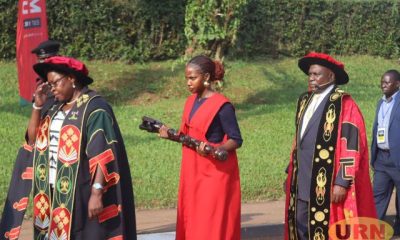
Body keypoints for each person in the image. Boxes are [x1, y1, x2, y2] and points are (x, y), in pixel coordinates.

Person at [29, 56, 136, 239]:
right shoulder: (54, 108)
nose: (52, 89)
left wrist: (96, 192)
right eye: (49, 84)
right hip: (52, 190)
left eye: (55, 83)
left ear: (71, 78)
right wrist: (37, 106)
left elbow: (102, 152)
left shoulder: (95, 107)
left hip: (81, 190)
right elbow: (33, 140)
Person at [284, 52, 376, 240]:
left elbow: (352, 144)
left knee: (327, 230)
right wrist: (290, 170)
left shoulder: (344, 103)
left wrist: (342, 181)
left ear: (331, 76)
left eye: (316, 74)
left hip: (327, 182)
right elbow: (298, 139)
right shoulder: (304, 100)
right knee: (300, 225)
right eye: (309, 74)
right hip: (303, 178)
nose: (311, 78)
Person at [159, 55, 242, 240]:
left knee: (210, 223)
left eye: (192, 78)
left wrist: (219, 148)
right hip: (192, 171)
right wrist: (169, 135)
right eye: (186, 78)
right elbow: (187, 137)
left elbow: (236, 139)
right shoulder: (191, 101)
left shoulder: (222, 105)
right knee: (192, 218)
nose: (188, 83)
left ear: (205, 77)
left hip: (213, 175)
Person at [0, 40, 62, 238]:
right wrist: (36, 106)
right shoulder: (42, 89)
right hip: (46, 157)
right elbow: (32, 136)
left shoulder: (67, 89)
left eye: (47, 60)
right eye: (41, 61)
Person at [371, 69, 400, 235]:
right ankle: (375, 230)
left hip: (398, 158)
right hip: (382, 158)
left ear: (397, 84)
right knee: (377, 196)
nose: (383, 84)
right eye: (382, 81)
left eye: (387, 82)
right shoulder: (380, 102)